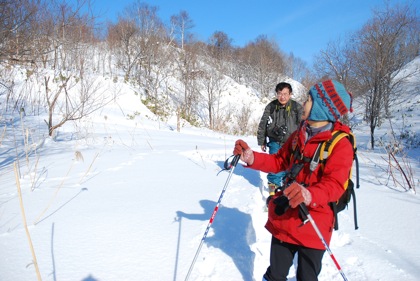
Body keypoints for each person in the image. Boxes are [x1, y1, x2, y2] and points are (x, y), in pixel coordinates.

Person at [234, 80, 354, 281]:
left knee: (306, 277)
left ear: (322, 108)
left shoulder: (340, 144)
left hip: (316, 221)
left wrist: (309, 194)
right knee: (275, 274)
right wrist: (251, 157)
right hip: (287, 216)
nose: (304, 103)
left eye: (309, 100)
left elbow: (335, 185)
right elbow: (280, 160)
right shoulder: (300, 133)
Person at [257, 82, 303, 199]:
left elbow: (304, 125)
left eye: (285, 94)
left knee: (289, 167)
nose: (282, 97)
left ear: (290, 94)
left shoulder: (296, 108)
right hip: (275, 141)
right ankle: (273, 191)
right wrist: (262, 140)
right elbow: (263, 124)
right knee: (275, 165)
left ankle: (285, 189)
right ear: (277, 94)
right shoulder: (271, 107)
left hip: (292, 143)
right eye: (280, 94)